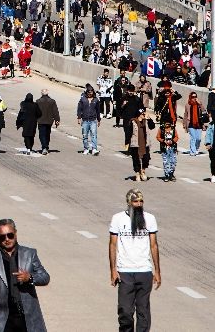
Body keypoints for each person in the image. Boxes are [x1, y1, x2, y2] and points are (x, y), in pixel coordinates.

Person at [0, 219, 50, 332]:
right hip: (3, 317)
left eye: (10, 235)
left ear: (15, 233)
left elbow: (45, 277)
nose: (7, 239)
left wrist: (30, 278)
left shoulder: (30, 254)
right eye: (2, 237)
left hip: (28, 316)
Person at [109, 189, 161, 332]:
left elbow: (154, 245)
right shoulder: (118, 218)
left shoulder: (149, 218)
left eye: (141, 201)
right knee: (125, 311)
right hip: (125, 271)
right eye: (135, 201)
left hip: (144, 271)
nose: (138, 204)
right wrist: (113, 270)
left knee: (143, 311)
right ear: (129, 203)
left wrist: (157, 271)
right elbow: (113, 245)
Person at [129, 106, 152, 182]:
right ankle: (137, 173)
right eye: (142, 114)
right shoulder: (133, 122)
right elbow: (128, 133)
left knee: (146, 159)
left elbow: (152, 126)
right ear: (139, 114)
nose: (144, 115)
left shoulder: (146, 121)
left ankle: (143, 171)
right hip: (135, 144)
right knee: (136, 160)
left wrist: (149, 119)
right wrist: (127, 142)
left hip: (145, 143)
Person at [77, 84, 102, 155]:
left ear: (93, 92)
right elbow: (79, 109)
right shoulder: (83, 99)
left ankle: (94, 149)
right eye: (88, 92)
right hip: (85, 120)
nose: (90, 94)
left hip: (93, 120)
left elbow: (98, 110)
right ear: (86, 92)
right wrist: (79, 118)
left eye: (91, 92)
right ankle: (86, 148)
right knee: (85, 135)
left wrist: (99, 120)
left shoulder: (96, 100)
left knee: (94, 135)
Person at [35, 89, 60, 155]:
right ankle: (46, 146)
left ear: (41, 94)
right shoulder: (52, 101)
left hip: (41, 121)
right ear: (47, 93)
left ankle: (44, 147)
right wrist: (57, 120)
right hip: (49, 121)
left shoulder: (38, 101)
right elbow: (55, 111)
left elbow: (35, 112)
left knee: (42, 134)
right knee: (47, 134)